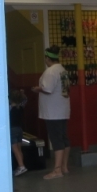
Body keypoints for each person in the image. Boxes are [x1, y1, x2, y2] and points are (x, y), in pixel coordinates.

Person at [32, 46, 70, 180]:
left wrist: (37, 89)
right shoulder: (62, 70)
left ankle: (57, 170)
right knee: (63, 138)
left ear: (47, 58)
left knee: (56, 139)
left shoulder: (50, 72)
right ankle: (64, 166)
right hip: (63, 109)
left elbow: (47, 89)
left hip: (53, 112)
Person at [9, 88, 28, 177]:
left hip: (12, 129)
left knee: (15, 149)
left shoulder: (9, 108)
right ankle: (21, 165)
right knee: (19, 149)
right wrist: (22, 94)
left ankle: (21, 166)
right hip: (19, 129)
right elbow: (25, 99)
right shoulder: (21, 107)